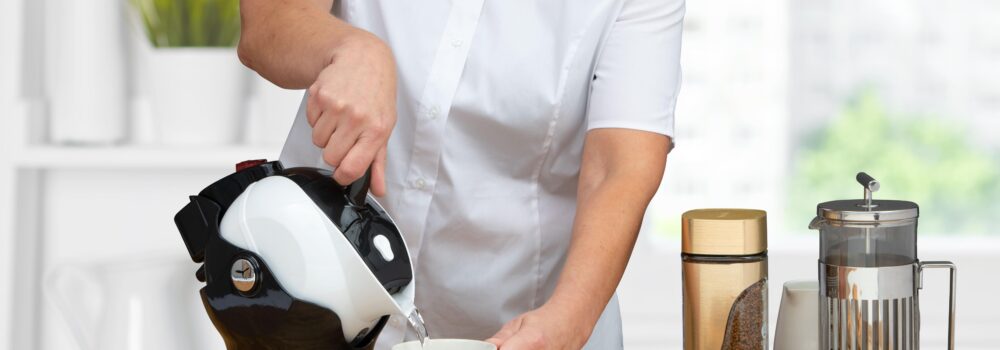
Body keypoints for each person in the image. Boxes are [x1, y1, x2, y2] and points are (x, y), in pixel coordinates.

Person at [237, 0, 684, 348]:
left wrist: (570, 318)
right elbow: (266, 24)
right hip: (313, 305)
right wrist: (349, 48)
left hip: (525, 322)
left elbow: (619, 166)